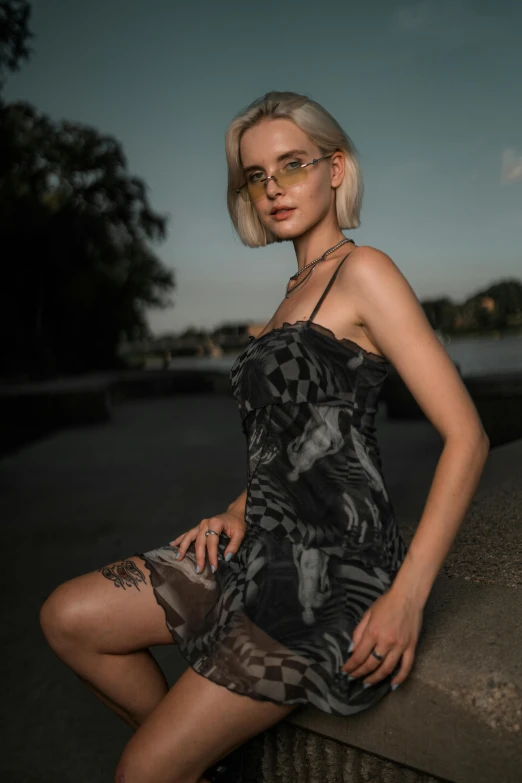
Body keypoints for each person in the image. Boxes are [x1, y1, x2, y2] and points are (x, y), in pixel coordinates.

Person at [39, 91, 490, 783]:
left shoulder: (364, 271)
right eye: (257, 175)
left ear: (335, 168)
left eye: (292, 164)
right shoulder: (292, 290)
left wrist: (406, 596)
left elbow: (468, 435)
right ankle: (210, 763)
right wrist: (236, 510)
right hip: (262, 544)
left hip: (332, 574)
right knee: (69, 616)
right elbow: (296, 443)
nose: (273, 187)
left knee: (141, 772)